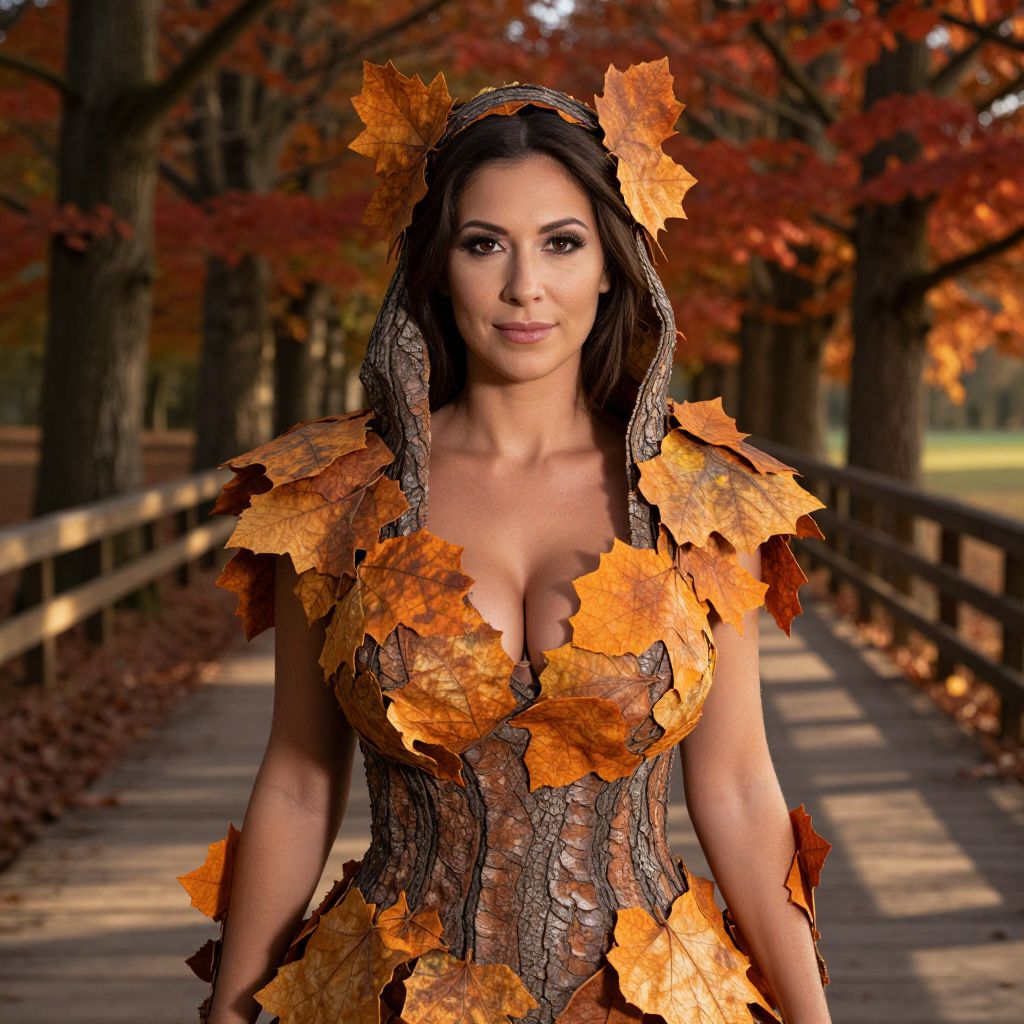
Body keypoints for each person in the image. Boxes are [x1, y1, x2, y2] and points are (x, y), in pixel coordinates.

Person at [179, 60, 832, 1024]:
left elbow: (736, 786)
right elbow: (300, 776)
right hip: (393, 995)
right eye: (486, 244)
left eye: (561, 242)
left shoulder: (702, 498)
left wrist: (814, 1016)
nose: (526, 287)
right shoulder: (336, 494)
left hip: (648, 999)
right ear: (438, 266)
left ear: (612, 264)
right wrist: (230, 1010)